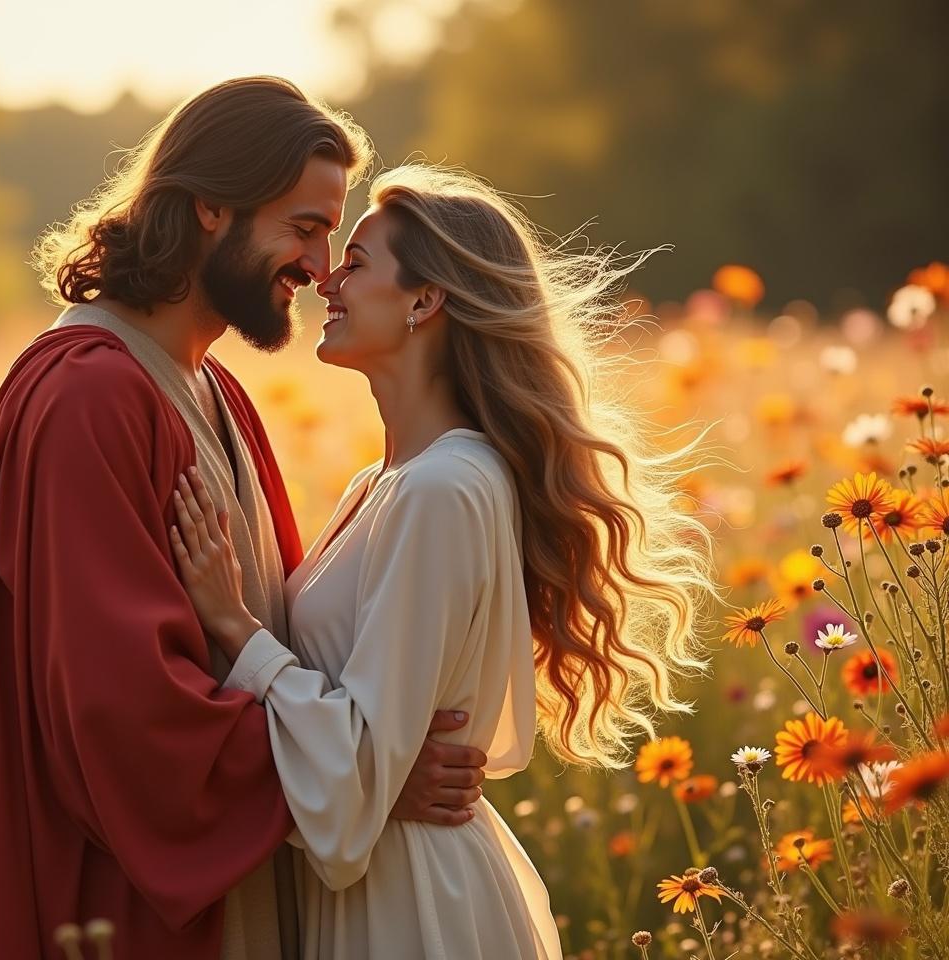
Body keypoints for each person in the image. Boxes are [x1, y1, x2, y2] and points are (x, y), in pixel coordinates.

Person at [0, 79, 489, 960]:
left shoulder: (212, 390)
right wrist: (352, 780)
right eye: (303, 228)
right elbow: (120, 715)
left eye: (332, 234)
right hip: (125, 908)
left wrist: (361, 764)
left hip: (236, 893)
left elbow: (269, 641)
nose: (322, 265)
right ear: (209, 208)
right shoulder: (90, 397)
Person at [167, 163, 719, 958]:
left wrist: (234, 623)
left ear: (425, 301)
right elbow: (374, 757)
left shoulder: (442, 489)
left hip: (413, 907)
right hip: (375, 889)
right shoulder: (383, 485)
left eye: (356, 263)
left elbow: (360, 769)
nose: (327, 279)